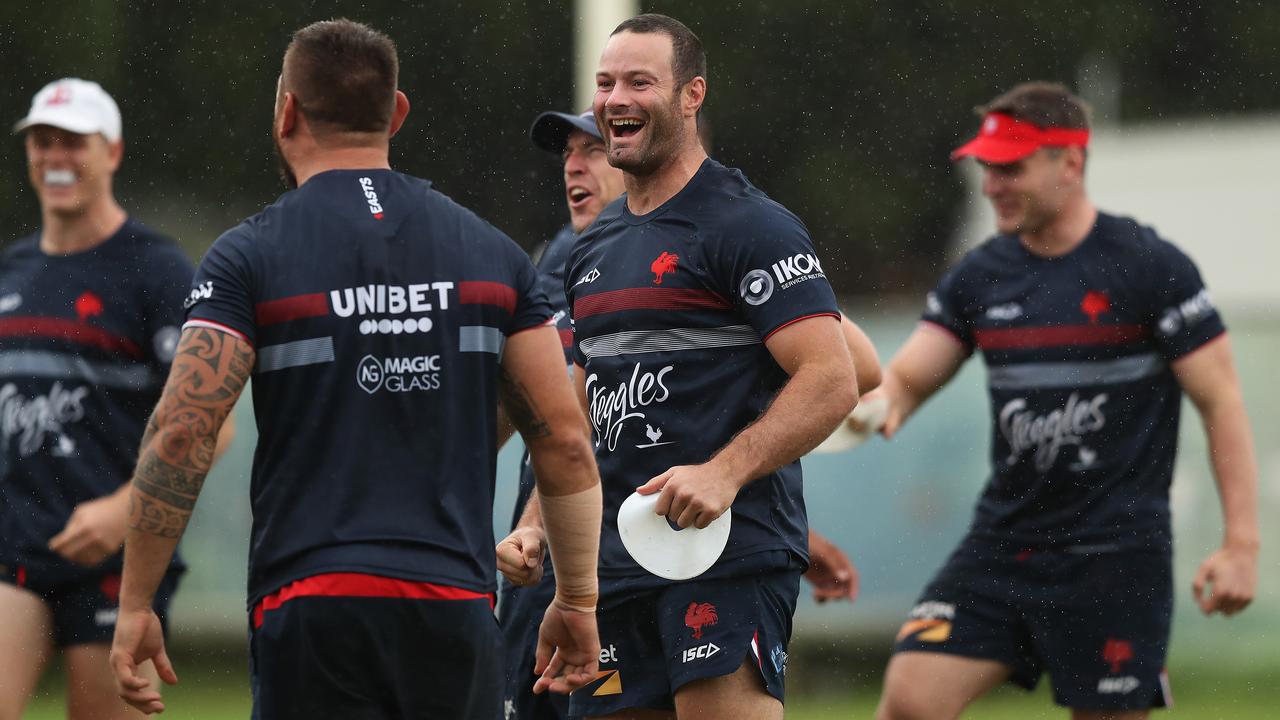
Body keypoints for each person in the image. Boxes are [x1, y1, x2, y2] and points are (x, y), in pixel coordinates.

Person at [106, 19, 603, 720]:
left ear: (286, 113)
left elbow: (180, 433)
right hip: (453, 608)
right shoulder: (493, 256)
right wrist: (577, 598)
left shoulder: (249, 257)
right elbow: (563, 439)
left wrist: (135, 603)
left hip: (312, 605)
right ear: (396, 114)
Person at [872, 82, 1259, 720]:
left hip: (1116, 559)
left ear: (1071, 162)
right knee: (911, 702)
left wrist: (1241, 544)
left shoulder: (1149, 266)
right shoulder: (979, 275)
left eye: (1012, 167)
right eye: (987, 167)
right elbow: (907, 381)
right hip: (1002, 546)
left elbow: (1222, 401)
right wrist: (867, 409)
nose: (993, 184)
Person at [497, 109, 876, 719]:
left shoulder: (728, 225)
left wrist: (745, 485)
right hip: (577, 562)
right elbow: (569, 428)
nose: (576, 164)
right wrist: (533, 524)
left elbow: (846, 368)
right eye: (569, 151)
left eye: (594, 148)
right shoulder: (562, 265)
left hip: (699, 551)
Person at [0, 78, 232, 720]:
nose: (56, 158)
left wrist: (122, 510)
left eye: (74, 143)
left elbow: (214, 425)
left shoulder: (156, 269)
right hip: (15, 542)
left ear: (113, 152)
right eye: (43, 142)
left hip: (121, 554)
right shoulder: (12, 270)